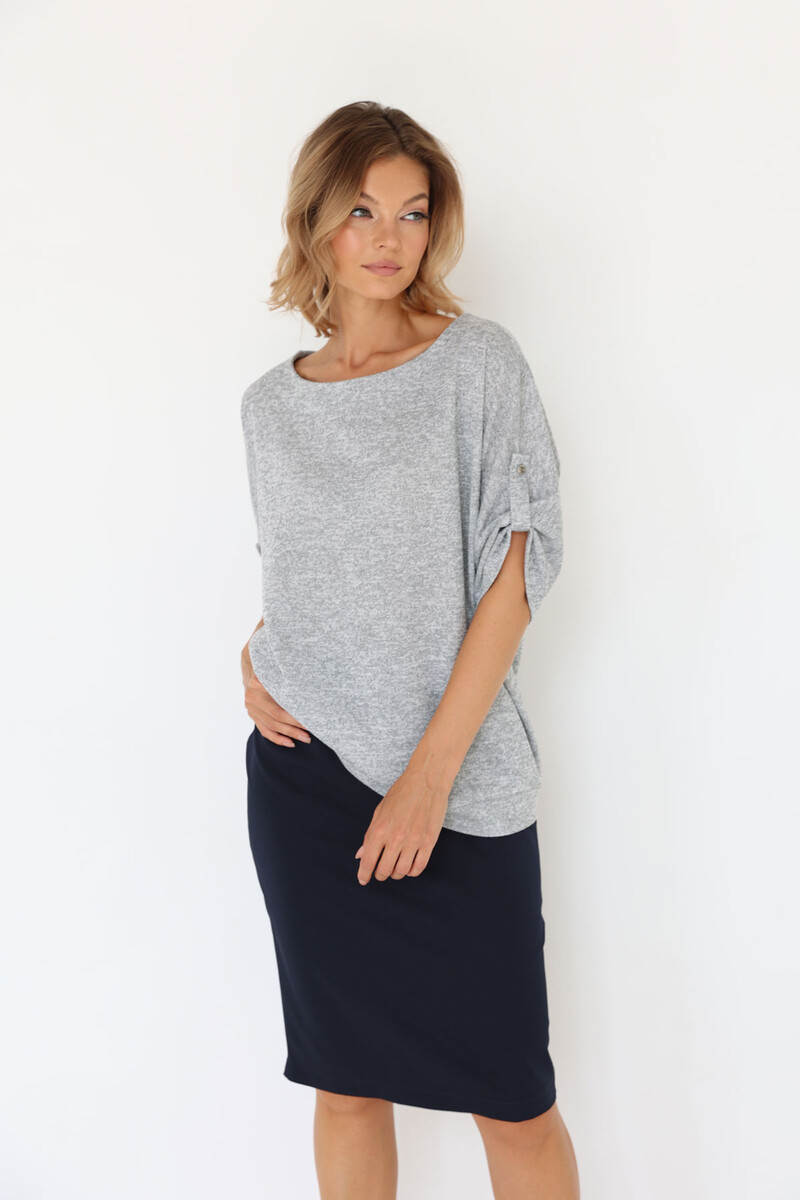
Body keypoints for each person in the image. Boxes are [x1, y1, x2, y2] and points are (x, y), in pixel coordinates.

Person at [240, 100, 580, 1200]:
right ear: (316, 222)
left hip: (460, 787)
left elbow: (515, 574)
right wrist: (253, 658)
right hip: (309, 785)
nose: (388, 237)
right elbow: (302, 577)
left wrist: (428, 781)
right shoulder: (268, 408)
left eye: (412, 211)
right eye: (361, 211)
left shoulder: (478, 366)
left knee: (514, 1104)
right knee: (345, 1087)